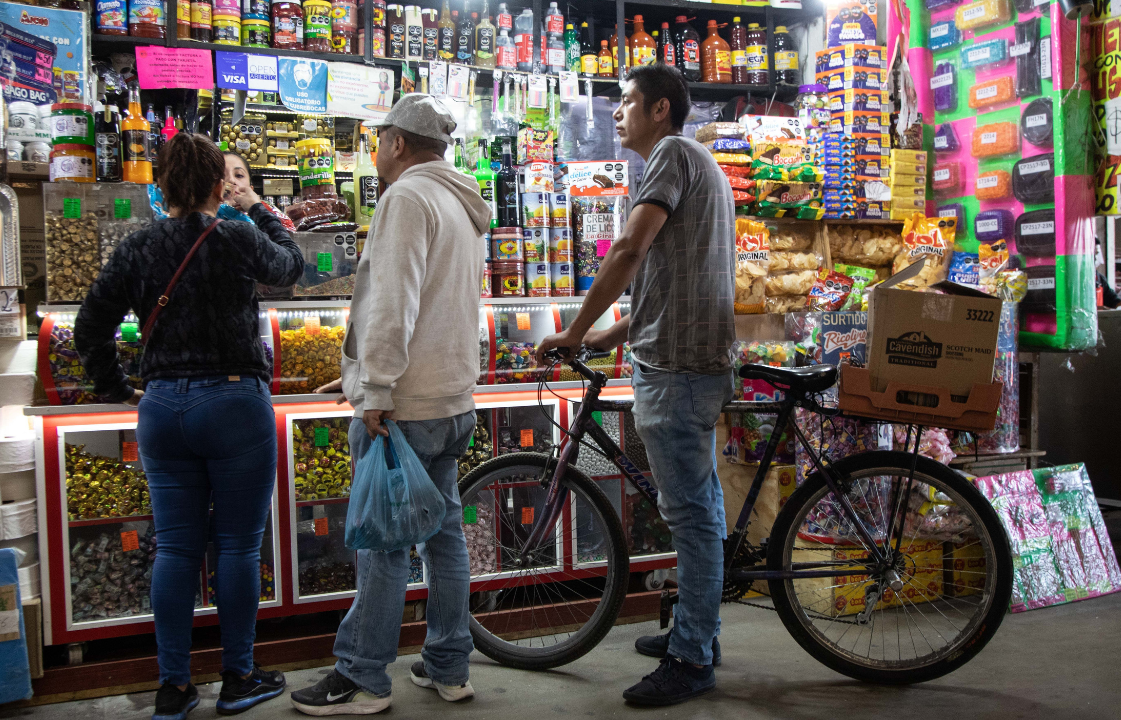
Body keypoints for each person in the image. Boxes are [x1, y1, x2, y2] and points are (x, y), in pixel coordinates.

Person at [75, 133, 305, 720]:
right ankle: (238, 677)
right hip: (232, 404)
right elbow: (291, 267)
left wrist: (115, 388)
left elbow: (90, 326)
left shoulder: (138, 246)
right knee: (236, 547)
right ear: (214, 184)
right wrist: (255, 205)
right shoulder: (235, 234)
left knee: (175, 550)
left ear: (161, 186)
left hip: (162, 408)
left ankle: (173, 687)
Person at [536, 63, 737, 707]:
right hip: (687, 357)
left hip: (678, 369)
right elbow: (672, 280)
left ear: (659, 110)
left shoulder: (672, 153)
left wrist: (574, 328)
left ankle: (691, 658)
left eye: (626, 102)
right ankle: (697, 629)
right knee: (697, 511)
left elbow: (629, 250)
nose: (616, 113)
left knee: (692, 518)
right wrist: (605, 336)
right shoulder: (696, 162)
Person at [289, 94, 491, 716]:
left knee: (383, 544)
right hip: (452, 400)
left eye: (379, 140)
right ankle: (448, 666)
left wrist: (374, 388)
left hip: (405, 408)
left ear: (398, 143)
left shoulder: (406, 197)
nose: (376, 152)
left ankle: (363, 677)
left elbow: (392, 305)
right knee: (444, 538)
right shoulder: (460, 202)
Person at [220, 152, 297, 232]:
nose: (231, 180)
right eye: (221, 176)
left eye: (239, 175)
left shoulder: (268, 213)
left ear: (251, 189)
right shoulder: (207, 223)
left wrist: (256, 209)